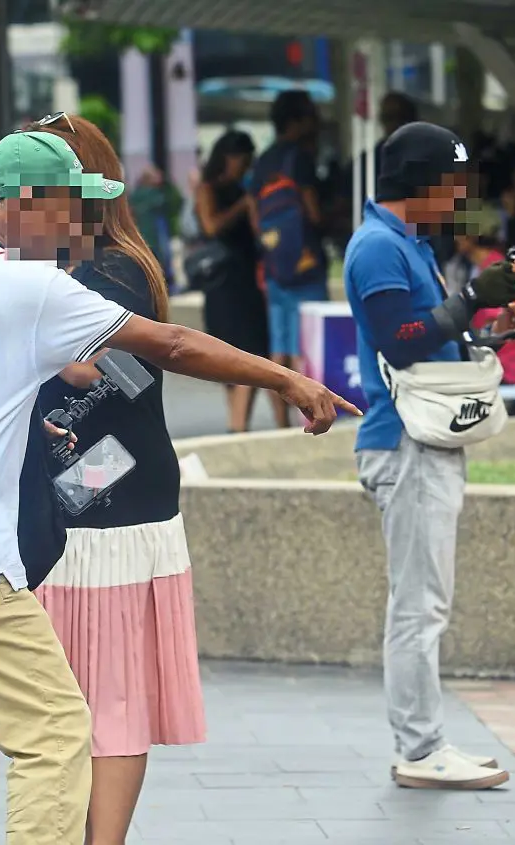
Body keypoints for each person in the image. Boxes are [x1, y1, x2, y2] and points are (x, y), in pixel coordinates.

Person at [0, 130, 358, 845]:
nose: (80, 226)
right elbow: (170, 345)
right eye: (71, 207)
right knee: (55, 732)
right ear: (27, 204)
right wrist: (290, 378)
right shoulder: (28, 285)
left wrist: (16, 425)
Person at [28, 114, 207, 845]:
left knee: (113, 700)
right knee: (62, 701)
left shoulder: (116, 269)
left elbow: (125, 381)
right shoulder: (47, 265)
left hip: (117, 508)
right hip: (65, 505)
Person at [346, 121, 515, 790]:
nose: (460, 195)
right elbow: (403, 341)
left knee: (424, 601)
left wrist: (495, 327)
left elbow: (435, 335)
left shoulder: (405, 243)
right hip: (405, 442)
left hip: (424, 439)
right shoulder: (378, 249)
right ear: (420, 184)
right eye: (452, 182)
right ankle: (419, 748)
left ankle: (425, 741)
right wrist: (473, 297)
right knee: (418, 605)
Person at [251, 89, 329, 428]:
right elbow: (313, 211)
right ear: (297, 121)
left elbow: (256, 216)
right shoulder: (300, 158)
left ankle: (281, 422)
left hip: (274, 266)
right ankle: (310, 417)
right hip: (305, 265)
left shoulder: (264, 160)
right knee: (306, 343)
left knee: (280, 347)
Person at [195, 130, 271, 432]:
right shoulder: (209, 188)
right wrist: (242, 206)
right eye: (243, 159)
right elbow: (211, 226)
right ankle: (236, 426)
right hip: (222, 282)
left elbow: (258, 233)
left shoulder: (245, 189)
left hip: (246, 278)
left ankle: (238, 425)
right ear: (228, 157)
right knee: (230, 352)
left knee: (250, 349)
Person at [458, 203, 515, 386]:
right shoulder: (492, 265)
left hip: (504, 365)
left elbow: (491, 324)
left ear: (470, 236)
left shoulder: (495, 270)